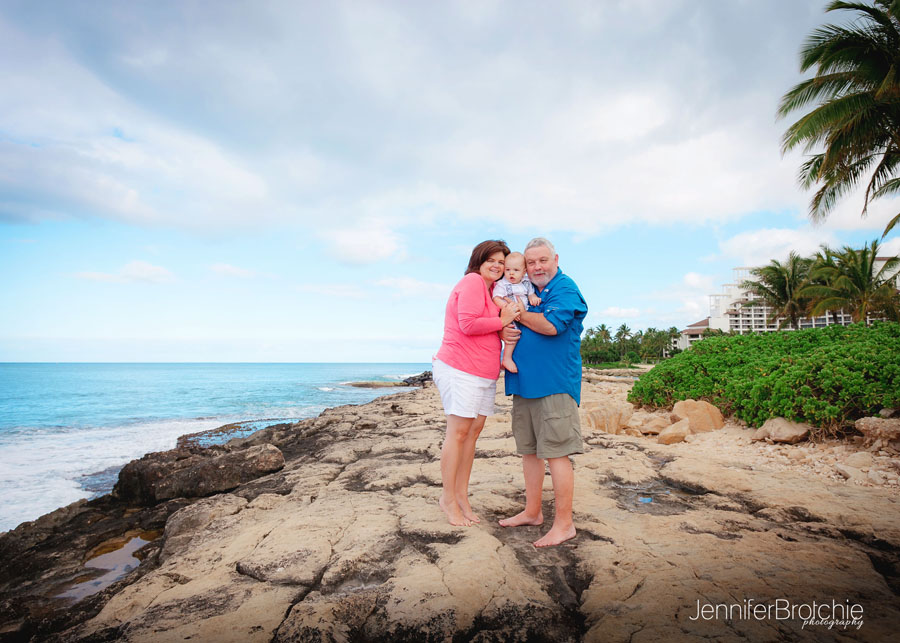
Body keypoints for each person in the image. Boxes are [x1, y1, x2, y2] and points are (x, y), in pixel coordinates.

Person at [499, 237, 588, 547]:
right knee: (530, 451)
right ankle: (533, 511)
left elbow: (552, 327)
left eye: (542, 260)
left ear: (556, 259)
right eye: (531, 262)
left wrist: (517, 315)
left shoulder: (564, 288)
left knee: (557, 453)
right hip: (524, 384)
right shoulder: (528, 290)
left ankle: (565, 525)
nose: (536, 267)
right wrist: (506, 325)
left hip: (553, 385)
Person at [433, 240, 520, 526]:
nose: (497, 266)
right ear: (478, 260)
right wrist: (502, 320)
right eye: (491, 260)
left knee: (472, 434)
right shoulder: (471, 282)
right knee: (458, 433)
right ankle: (447, 500)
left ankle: (462, 497)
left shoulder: (492, 290)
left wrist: (503, 331)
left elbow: (488, 328)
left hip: (483, 372)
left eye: (502, 263)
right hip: (460, 368)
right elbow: (468, 324)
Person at [491, 252, 541, 374]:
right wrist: (507, 308)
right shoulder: (502, 284)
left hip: (524, 312)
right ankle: (506, 358)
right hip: (510, 313)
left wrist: (533, 297)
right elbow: (496, 298)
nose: (511, 273)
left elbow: (530, 293)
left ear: (524, 271)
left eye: (516, 270)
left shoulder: (526, 282)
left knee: (524, 333)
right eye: (508, 270)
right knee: (512, 334)